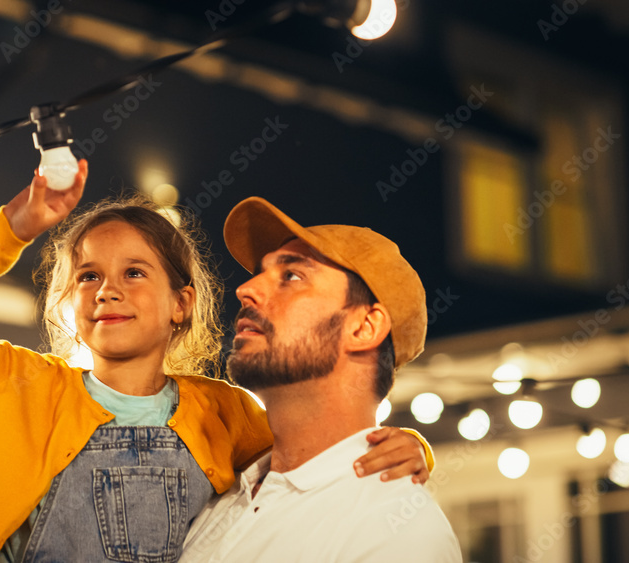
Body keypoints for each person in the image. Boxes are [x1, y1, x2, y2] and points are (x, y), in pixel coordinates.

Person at [0, 163, 434, 562]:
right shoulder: (25, 385)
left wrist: (408, 446)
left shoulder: (222, 412)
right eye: (87, 276)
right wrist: (11, 226)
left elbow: (310, 450)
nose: (106, 291)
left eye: (134, 273)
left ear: (183, 303)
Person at [180, 197, 463, 562]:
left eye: (291, 276)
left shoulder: (396, 533)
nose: (246, 289)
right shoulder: (218, 494)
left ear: (364, 327)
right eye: (259, 273)